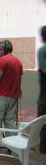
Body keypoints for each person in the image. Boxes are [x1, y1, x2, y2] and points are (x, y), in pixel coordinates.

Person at [37, 26, 46, 154]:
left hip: (45, 94)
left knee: (42, 120)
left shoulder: (43, 50)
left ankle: (44, 147)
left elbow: (44, 70)